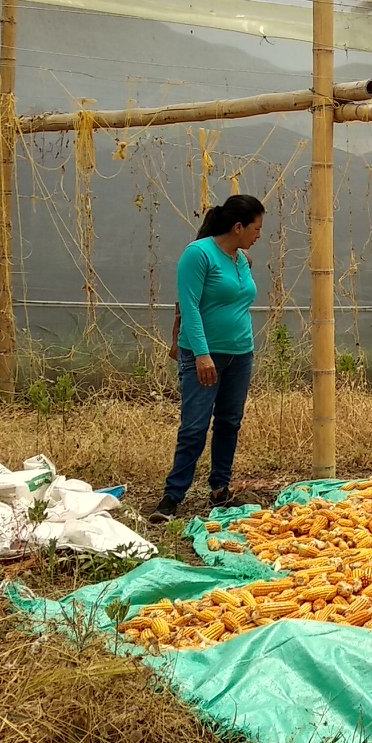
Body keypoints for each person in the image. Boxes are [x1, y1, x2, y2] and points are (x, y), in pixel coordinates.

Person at [154, 194, 264, 521]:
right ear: (238, 226)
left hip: (239, 353)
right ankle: (172, 497)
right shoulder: (198, 255)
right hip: (204, 354)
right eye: (256, 228)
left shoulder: (239, 258)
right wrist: (201, 355)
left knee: (229, 422)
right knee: (195, 426)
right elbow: (189, 307)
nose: (259, 234)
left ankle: (220, 489)